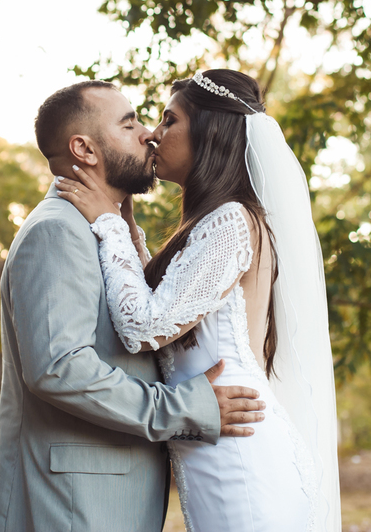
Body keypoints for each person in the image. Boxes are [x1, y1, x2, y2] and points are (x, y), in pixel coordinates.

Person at [57, 69, 341, 532]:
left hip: (242, 459)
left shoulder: (230, 220)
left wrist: (106, 224)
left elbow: (144, 326)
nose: (152, 135)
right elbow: (171, 303)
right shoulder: (213, 223)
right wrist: (126, 231)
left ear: (209, 134)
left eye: (169, 121)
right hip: (218, 452)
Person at [0, 80, 266, 532]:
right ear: (85, 149)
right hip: (71, 503)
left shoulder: (103, 229)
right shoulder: (57, 232)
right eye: (129, 123)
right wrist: (181, 407)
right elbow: (58, 368)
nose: (148, 134)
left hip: (108, 496)